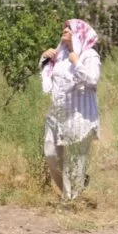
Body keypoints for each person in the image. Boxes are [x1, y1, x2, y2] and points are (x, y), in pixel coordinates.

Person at [40, 18, 101, 203]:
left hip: (79, 116)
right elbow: (48, 83)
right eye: (64, 27)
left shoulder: (89, 55)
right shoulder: (59, 54)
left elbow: (93, 80)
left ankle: (70, 200)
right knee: (50, 153)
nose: (65, 30)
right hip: (57, 114)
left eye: (69, 28)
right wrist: (44, 60)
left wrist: (76, 62)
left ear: (79, 33)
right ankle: (76, 185)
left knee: (73, 161)